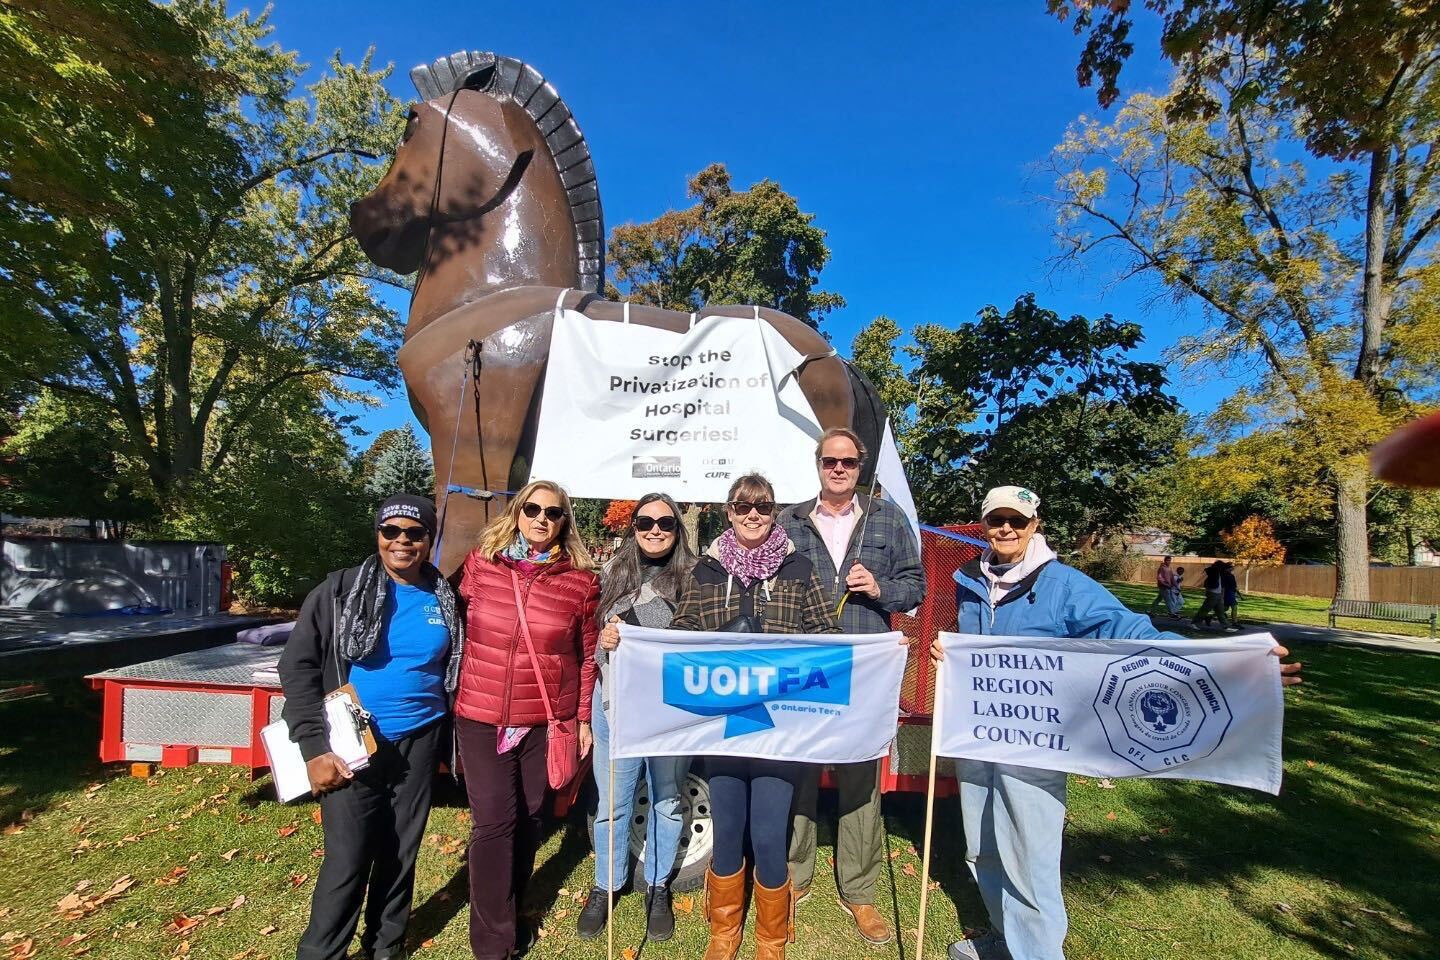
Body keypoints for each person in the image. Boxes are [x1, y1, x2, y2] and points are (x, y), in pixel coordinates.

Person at [931, 486, 1302, 960]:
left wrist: (1234, 664)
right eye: (996, 519)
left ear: (1034, 525)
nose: (1006, 528)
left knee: (1027, 853)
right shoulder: (970, 578)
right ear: (983, 524)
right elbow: (969, 644)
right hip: (979, 733)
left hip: (1037, 741)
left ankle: (1037, 953)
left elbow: (1134, 634)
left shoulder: (1064, 584)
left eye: (1017, 520)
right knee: (982, 847)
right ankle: (1007, 939)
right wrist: (949, 652)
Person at [280, 494, 465, 960]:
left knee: (400, 853)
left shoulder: (444, 597)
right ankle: (322, 952)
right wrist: (314, 748)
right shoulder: (339, 592)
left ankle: (385, 946)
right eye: (391, 532)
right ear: (378, 536)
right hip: (350, 743)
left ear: (429, 539)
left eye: (415, 533)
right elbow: (298, 666)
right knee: (348, 859)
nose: (402, 541)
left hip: (420, 737)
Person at [671, 473, 839, 960]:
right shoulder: (705, 571)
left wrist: (876, 652)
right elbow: (681, 634)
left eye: (762, 507)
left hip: (778, 728)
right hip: (724, 726)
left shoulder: (798, 567)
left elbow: (826, 635)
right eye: (743, 507)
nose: (752, 515)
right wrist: (635, 640)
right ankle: (724, 931)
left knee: (768, 831)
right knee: (727, 827)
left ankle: (771, 937)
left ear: (774, 511)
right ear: (728, 511)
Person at [779, 427, 925, 945]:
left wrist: (881, 588)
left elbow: (917, 587)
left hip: (865, 667)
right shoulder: (788, 520)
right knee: (796, 769)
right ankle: (794, 880)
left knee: (861, 776)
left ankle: (859, 891)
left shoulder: (888, 519)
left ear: (860, 468)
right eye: (829, 461)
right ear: (817, 464)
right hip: (805, 666)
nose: (837, 469)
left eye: (847, 462)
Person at [453, 480, 600, 960]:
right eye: (532, 508)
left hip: (543, 720)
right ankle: (494, 942)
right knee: (494, 822)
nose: (541, 518)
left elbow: (587, 656)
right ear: (517, 512)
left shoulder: (580, 581)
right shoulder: (481, 567)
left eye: (553, 512)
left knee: (530, 818)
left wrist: (580, 719)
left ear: (564, 523)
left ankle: (511, 906)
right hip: (481, 713)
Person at [579, 492, 698, 942]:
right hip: (614, 702)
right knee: (612, 803)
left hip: (670, 709)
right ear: (633, 527)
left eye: (665, 523)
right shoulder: (611, 572)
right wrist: (604, 643)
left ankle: (658, 885)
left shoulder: (695, 575)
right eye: (645, 521)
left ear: (676, 528)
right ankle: (605, 884)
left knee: (667, 798)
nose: (655, 529)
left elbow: (703, 639)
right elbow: (588, 642)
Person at [1193, 560, 1231, 630]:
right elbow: (1209, 577)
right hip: (1213, 593)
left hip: (1218, 593)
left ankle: (1225, 626)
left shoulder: (1219, 573)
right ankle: (1195, 623)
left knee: (1220, 611)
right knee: (1205, 609)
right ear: (1219, 566)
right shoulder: (1213, 572)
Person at [1221, 561, 1241, 629]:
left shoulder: (1231, 575)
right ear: (1228, 567)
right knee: (1234, 607)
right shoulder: (1224, 575)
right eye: (1232, 567)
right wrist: (1222, 596)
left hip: (1231, 593)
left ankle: (1209, 617)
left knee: (1225, 608)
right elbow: (1223, 587)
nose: (1233, 568)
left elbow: (1235, 586)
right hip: (1228, 593)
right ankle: (1234, 623)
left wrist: (1240, 595)